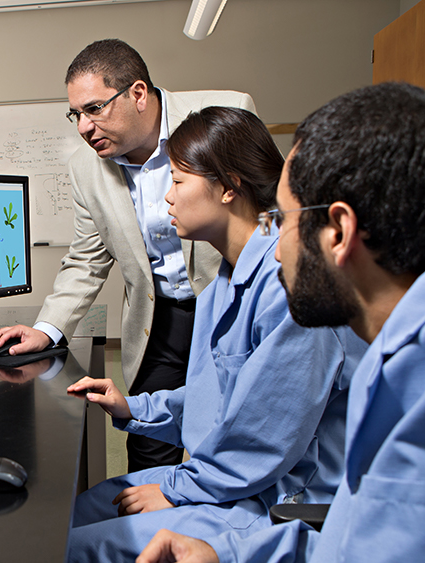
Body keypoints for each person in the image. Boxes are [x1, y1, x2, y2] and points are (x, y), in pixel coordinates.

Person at [135, 82, 425, 563]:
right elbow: (353, 542)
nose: (275, 247)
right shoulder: (408, 342)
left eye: (284, 221)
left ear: (337, 232)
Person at [61, 106, 366, 562]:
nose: (167, 197)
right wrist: (134, 407)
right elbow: (216, 402)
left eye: (179, 181)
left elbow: (262, 443)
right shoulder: (221, 280)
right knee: (78, 510)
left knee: (75, 548)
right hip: (227, 477)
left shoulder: (288, 286)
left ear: (228, 188)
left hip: (277, 500)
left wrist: (179, 489)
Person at [0, 39, 256, 470]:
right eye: (75, 114)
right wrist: (48, 328)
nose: (83, 126)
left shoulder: (223, 115)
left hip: (231, 305)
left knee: (237, 432)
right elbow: (86, 258)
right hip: (159, 320)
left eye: (94, 109)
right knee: (148, 447)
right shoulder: (84, 168)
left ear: (137, 93)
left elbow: (270, 209)